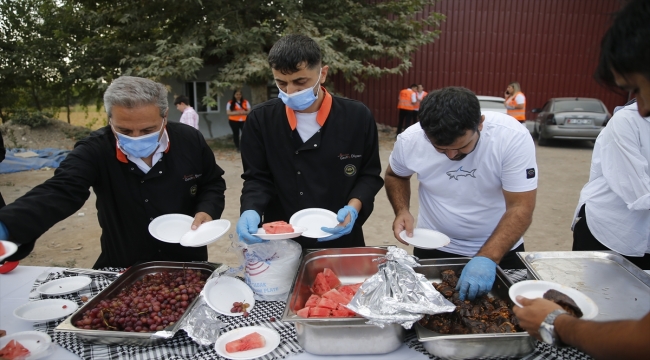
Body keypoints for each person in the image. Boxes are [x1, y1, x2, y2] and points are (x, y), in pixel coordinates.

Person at [514, 1, 650, 358]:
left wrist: (556, 324)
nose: (642, 107)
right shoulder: (627, 122)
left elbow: (641, 340)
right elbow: (638, 192)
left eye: (638, 86)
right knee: (604, 302)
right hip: (611, 232)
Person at [0, 76, 227, 268]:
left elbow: (212, 183)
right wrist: (7, 225)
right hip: (123, 264)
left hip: (187, 261)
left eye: (148, 129)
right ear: (110, 120)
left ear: (165, 116)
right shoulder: (95, 149)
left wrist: (207, 210)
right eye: (124, 130)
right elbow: (62, 189)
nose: (136, 138)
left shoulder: (189, 140)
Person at [385, 86, 537, 301]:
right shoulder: (410, 140)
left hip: (501, 248)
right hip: (433, 246)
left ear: (480, 123)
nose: (450, 155)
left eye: (462, 147)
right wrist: (402, 210)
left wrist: (487, 258)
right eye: (440, 148)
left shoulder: (511, 137)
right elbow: (395, 175)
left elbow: (521, 206)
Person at [236, 34, 383, 249]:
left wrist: (354, 206)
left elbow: (369, 175)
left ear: (322, 74)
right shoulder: (260, 120)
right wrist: (250, 209)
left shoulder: (357, 116)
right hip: (282, 238)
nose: (290, 92)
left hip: (338, 234)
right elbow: (257, 178)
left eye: (300, 82)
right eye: (281, 83)